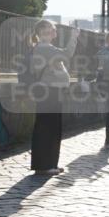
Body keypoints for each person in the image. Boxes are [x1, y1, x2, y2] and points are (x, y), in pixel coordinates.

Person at [26, 19, 74, 174]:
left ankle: (50, 164)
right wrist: (74, 37)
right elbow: (67, 54)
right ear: (42, 32)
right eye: (51, 29)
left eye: (54, 29)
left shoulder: (46, 47)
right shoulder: (44, 48)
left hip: (51, 91)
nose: (54, 31)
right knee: (48, 128)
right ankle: (44, 166)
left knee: (51, 127)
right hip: (49, 92)